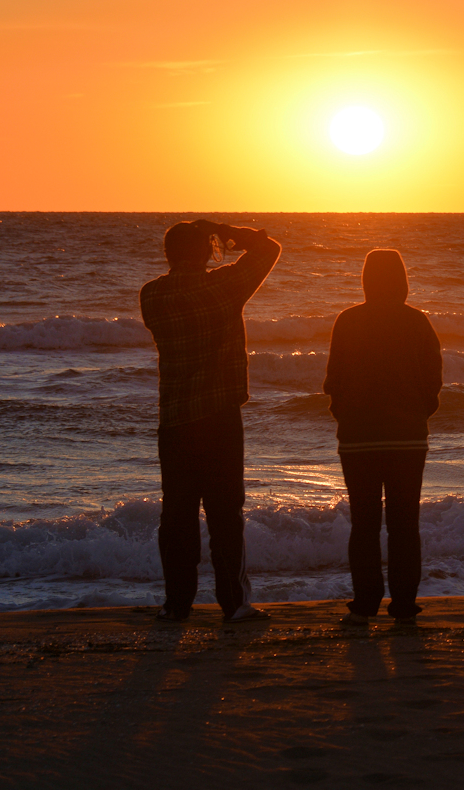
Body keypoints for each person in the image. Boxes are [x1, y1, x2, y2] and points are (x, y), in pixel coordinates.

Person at [140, 219, 280, 623]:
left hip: (175, 420)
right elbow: (270, 249)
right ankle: (234, 604)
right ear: (206, 251)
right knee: (224, 514)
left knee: (178, 515)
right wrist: (225, 228)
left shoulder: (152, 295)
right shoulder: (224, 287)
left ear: (168, 254)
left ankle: (177, 604)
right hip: (219, 417)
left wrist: (209, 236)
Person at [324, 249, 442, 625]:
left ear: (366, 280)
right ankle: (404, 602)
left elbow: (333, 380)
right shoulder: (417, 321)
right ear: (402, 280)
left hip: (358, 438)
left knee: (364, 522)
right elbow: (433, 380)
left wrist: (344, 412)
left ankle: (365, 601)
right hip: (408, 438)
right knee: (405, 523)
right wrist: (418, 413)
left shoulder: (348, 320)